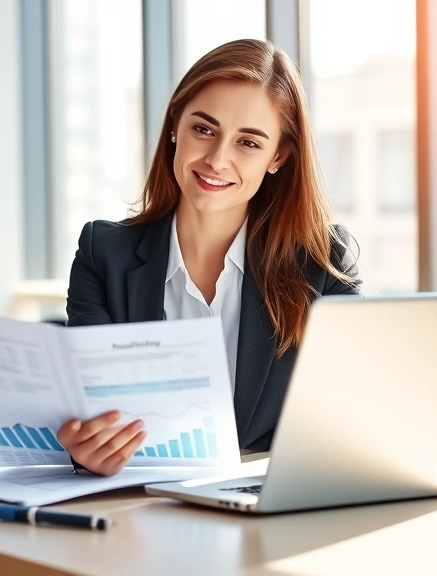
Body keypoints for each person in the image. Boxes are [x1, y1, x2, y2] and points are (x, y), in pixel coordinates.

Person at [55, 39, 361, 476]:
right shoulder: (103, 256)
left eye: (248, 143)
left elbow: (355, 420)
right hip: (137, 513)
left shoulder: (324, 265)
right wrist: (85, 449)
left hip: (267, 514)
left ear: (279, 156)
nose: (218, 160)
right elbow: (89, 412)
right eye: (204, 129)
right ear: (176, 124)